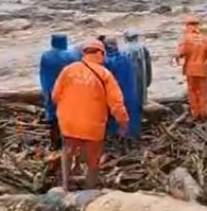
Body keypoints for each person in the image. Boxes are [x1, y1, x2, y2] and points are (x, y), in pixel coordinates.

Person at [52, 40, 128, 190]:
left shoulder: (69, 70)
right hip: (92, 125)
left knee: (67, 151)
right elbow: (116, 104)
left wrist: (66, 111)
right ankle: (89, 191)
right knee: (93, 161)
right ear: (99, 53)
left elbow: (55, 95)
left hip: (68, 123)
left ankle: (65, 186)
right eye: (103, 54)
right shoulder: (105, 74)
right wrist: (123, 123)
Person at [38, 34, 79, 150]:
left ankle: (54, 144)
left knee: (53, 117)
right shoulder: (72, 55)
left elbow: (42, 73)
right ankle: (71, 142)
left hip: (50, 87)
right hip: (69, 90)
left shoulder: (46, 56)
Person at [103, 36, 140, 140]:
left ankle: (118, 138)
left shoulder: (107, 62)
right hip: (130, 92)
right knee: (132, 115)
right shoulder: (126, 58)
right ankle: (133, 136)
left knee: (116, 117)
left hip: (116, 94)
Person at [175, 17, 207, 121]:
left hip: (191, 69)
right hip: (203, 69)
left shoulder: (186, 38)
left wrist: (177, 58)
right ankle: (204, 112)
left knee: (193, 92)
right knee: (203, 92)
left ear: (187, 26)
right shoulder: (204, 38)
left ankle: (195, 113)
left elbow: (180, 54)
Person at [122, 28, 152, 107]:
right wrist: (149, 79)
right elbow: (148, 64)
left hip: (129, 76)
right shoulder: (143, 48)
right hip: (142, 75)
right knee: (141, 95)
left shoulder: (124, 50)